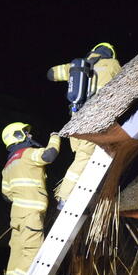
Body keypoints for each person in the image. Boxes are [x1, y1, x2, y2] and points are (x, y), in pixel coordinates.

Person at [47, 43, 122, 208]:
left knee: (82, 157)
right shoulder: (112, 64)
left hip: (75, 121)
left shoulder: (80, 64)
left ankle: (80, 194)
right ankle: (64, 197)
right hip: (93, 120)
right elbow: (125, 85)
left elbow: (51, 74)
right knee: (84, 158)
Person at [0, 122, 60, 275]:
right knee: (32, 254)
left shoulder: (8, 165)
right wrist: (55, 137)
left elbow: (6, 195)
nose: (30, 136)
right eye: (26, 133)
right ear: (17, 136)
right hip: (31, 214)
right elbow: (49, 155)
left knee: (16, 255)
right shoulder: (27, 154)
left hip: (17, 217)